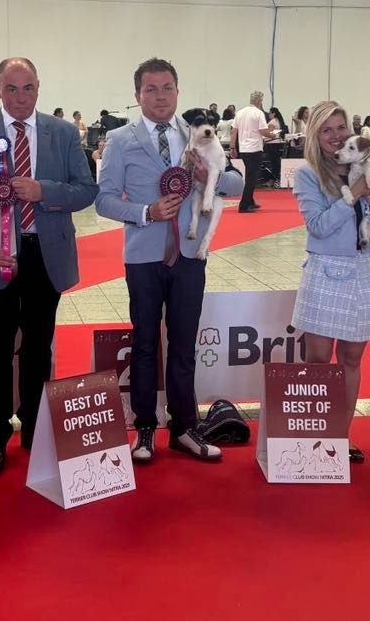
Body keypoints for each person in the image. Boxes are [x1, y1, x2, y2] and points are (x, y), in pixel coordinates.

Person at [95, 57, 244, 462]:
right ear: (136, 95)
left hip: (190, 255)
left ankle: (184, 427)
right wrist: (146, 212)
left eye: (167, 88)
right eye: (150, 89)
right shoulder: (120, 140)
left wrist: (203, 179)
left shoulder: (199, 134)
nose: (160, 97)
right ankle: (144, 429)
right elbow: (103, 199)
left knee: (183, 345)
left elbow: (234, 182)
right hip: (143, 255)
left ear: (178, 91)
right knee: (144, 344)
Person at [0, 57, 98, 478]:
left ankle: (36, 432)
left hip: (44, 257)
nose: (20, 97)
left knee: (38, 350)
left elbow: (86, 190)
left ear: (39, 88)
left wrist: (43, 191)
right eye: (12, 88)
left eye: (28, 88)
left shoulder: (64, 133)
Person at [290, 100, 370, 464]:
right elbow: (317, 226)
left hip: (363, 269)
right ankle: (315, 433)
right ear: (315, 135)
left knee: (352, 357)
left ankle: (341, 437)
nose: (335, 136)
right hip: (326, 270)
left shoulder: (366, 167)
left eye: (341, 128)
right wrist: (356, 194)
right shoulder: (307, 175)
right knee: (317, 359)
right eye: (327, 130)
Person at [230, 90, 273, 212]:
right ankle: (244, 204)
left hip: (244, 149)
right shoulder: (258, 113)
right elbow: (263, 131)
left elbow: (233, 131)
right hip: (255, 148)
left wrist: (232, 147)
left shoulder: (240, 113)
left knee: (250, 175)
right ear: (259, 100)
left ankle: (250, 201)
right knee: (252, 177)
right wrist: (273, 135)